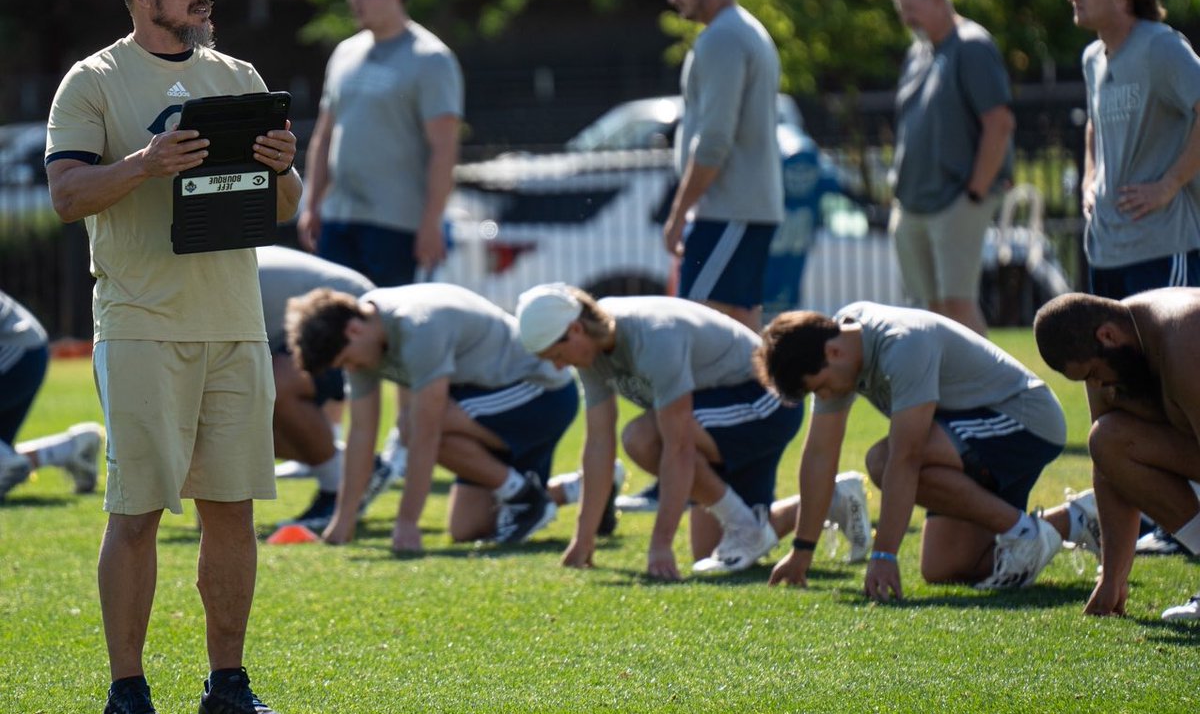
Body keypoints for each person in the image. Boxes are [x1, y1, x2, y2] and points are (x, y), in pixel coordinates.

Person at [45, 0, 303, 714]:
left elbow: (285, 206)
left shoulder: (238, 73)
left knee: (232, 508)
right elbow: (65, 197)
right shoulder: (91, 82)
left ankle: (228, 684)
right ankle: (128, 690)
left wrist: (282, 164)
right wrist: (142, 166)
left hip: (232, 322)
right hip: (141, 322)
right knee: (138, 509)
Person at [754, 303, 1097, 602]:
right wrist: (802, 551)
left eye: (822, 386)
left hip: (1025, 420)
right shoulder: (838, 343)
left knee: (884, 460)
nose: (826, 395)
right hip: (969, 439)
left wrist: (885, 554)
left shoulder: (902, 344)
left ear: (833, 353)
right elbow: (818, 455)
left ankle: (1025, 535)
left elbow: (906, 458)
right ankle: (1077, 519)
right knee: (945, 566)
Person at [515, 284, 828, 581]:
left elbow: (678, 448)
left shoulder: (653, 335)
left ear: (576, 330)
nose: (558, 368)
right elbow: (598, 443)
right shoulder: (591, 352)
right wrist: (583, 539)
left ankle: (744, 525)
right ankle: (829, 499)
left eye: (556, 356)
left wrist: (660, 545)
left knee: (642, 438)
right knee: (709, 554)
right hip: (718, 417)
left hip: (767, 403)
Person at [1063, 0, 1200, 557]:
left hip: (1161, 247)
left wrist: (1171, 183)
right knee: (1114, 397)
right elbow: (1094, 122)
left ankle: (1184, 518)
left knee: (1178, 391)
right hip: (1108, 249)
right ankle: (1152, 518)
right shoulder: (1094, 57)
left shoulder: (1162, 48)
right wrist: (1093, 176)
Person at [285, 283, 595, 551]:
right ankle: (579, 490)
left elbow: (426, 433)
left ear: (354, 329)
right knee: (468, 529)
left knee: (413, 424)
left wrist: (407, 522)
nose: (350, 368)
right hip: (489, 406)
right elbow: (361, 433)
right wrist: (343, 520)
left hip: (542, 394)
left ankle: (526, 499)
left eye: (347, 361)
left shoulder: (418, 326)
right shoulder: (365, 337)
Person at [298, 0, 463, 287]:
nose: (354, 2)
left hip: (396, 224)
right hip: (338, 219)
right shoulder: (345, 52)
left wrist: (432, 223)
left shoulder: (431, 59)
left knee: (385, 328)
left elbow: (444, 149)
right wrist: (312, 205)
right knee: (334, 329)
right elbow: (325, 135)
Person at [1034, 290, 1200, 621]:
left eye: (1092, 373)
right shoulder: (1121, 347)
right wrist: (1111, 579)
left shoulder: (1185, 336)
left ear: (1107, 336)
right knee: (1109, 439)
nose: (1096, 384)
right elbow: (1109, 466)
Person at [661, 0, 784, 333]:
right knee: (744, 334)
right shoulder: (740, 30)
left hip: (727, 212)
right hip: (742, 211)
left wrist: (679, 215)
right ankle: (771, 399)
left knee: (698, 331)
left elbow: (714, 140)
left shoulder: (723, 38)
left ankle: (768, 398)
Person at [887, 0, 1015, 336]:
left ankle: (990, 392)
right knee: (930, 311)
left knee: (958, 306)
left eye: (911, 7)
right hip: (913, 202)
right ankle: (947, 393)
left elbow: (999, 123)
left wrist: (975, 191)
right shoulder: (918, 52)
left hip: (957, 198)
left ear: (938, 1)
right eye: (901, 10)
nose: (906, 18)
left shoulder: (972, 45)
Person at [257, 245, 400, 531]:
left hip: (342, 317)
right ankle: (355, 466)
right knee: (240, 415)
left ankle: (337, 488)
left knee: (278, 386)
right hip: (297, 317)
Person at [0, 290, 104, 501]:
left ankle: (6, 462)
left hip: (15, 349)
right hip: (25, 347)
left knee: (6, 462)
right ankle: (70, 449)